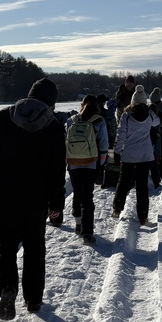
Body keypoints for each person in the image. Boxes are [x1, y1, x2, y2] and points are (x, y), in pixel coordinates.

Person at [0, 77, 66, 319]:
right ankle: (33, 300)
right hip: (37, 199)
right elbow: (57, 170)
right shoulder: (55, 126)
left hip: (6, 196)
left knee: (5, 247)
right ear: (51, 101)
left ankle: (7, 290)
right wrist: (56, 202)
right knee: (35, 248)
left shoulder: (5, 118)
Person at [112, 85, 160, 225]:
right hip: (145, 156)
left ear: (132, 102)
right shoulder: (150, 115)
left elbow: (120, 136)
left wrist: (116, 151)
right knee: (142, 185)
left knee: (123, 181)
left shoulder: (126, 116)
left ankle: (117, 207)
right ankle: (143, 215)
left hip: (129, 155)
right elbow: (157, 122)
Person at [66, 95, 109, 244]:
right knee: (87, 196)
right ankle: (87, 232)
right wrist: (102, 162)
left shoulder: (71, 120)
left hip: (73, 163)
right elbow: (103, 144)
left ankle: (78, 222)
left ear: (82, 104)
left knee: (77, 192)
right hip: (91, 163)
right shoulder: (99, 121)